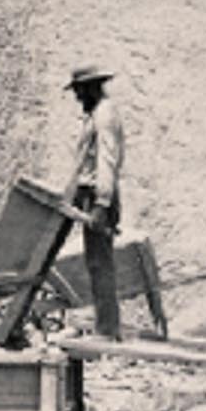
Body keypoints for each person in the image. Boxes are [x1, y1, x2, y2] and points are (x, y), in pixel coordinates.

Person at [61, 66, 126, 341]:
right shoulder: (95, 114)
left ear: (90, 87)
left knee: (100, 263)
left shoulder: (104, 114)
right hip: (90, 194)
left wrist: (101, 203)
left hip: (98, 196)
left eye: (79, 91)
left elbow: (107, 161)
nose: (77, 97)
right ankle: (105, 325)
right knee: (96, 262)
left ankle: (107, 329)